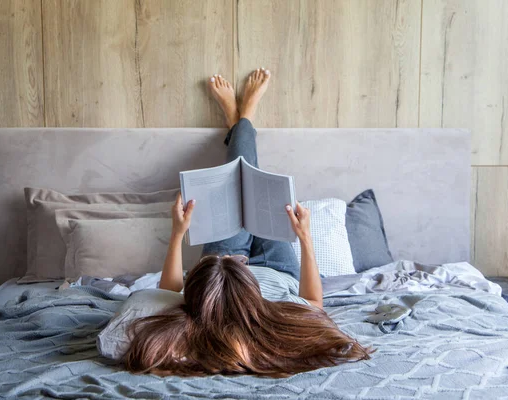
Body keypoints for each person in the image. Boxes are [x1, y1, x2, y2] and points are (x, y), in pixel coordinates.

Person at [123, 68, 374, 377]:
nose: (239, 259)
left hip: (218, 273)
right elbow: (313, 302)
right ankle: (243, 120)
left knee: (237, 185)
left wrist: (178, 234)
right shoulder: (280, 320)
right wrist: (305, 238)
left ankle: (239, 123)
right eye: (237, 261)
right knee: (257, 188)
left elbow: (169, 293)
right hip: (276, 269)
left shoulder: (196, 312)